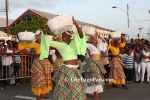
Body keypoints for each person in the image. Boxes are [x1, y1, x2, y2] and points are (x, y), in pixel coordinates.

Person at [40, 17, 87, 100]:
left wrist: (76, 24)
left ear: (69, 36)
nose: (63, 37)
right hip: (67, 70)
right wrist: (45, 30)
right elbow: (46, 41)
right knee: (70, 89)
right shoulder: (60, 45)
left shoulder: (74, 42)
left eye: (65, 35)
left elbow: (81, 36)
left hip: (75, 69)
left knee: (76, 90)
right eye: (62, 35)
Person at [18, 28, 54, 100]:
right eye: (37, 36)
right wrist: (19, 39)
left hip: (46, 62)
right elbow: (25, 45)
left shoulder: (47, 44)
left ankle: (42, 94)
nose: (38, 37)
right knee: (39, 80)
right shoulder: (36, 45)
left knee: (45, 79)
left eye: (39, 36)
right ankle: (38, 96)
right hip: (39, 63)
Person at [83, 32, 106, 100]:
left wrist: (98, 35)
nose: (94, 39)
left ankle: (93, 92)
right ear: (90, 39)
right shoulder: (89, 45)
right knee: (95, 78)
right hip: (92, 64)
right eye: (92, 38)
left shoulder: (99, 45)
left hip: (98, 63)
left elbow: (104, 42)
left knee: (97, 78)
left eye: (95, 38)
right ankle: (95, 94)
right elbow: (81, 44)